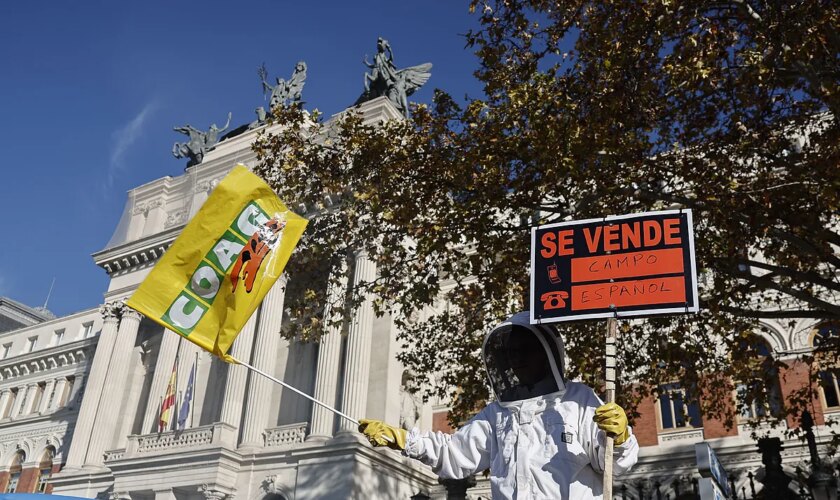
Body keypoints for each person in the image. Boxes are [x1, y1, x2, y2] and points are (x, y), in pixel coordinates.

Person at [359, 311, 638, 499]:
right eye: (512, 353)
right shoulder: (499, 413)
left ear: (545, 352)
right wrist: (404, 440)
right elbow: (456, 455)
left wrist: (621, 438)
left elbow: (613, 464)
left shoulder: (578, 401)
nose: (517, 360)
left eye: (525, 350)